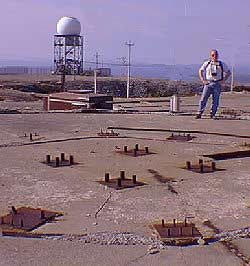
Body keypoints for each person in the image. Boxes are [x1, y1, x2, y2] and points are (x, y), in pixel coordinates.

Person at [196, 49, 231, 119]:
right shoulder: (207, 63)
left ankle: (213, 114)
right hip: (208, 83)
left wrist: (223, 80)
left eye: (216, 55)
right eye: (213, 55)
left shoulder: (221, 64)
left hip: (217, 83)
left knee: (216, 100)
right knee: (203, 98)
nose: (214, 56)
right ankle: (199, 112)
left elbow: (228, 72)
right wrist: (203, 80)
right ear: (210, 56)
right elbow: (201, 70)